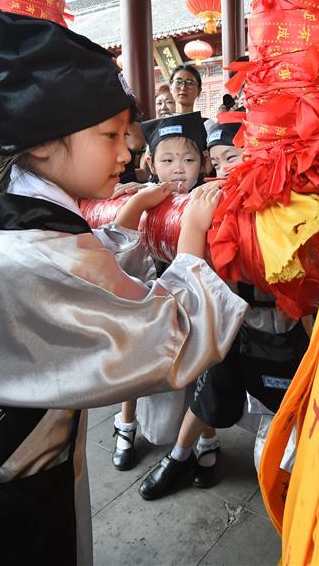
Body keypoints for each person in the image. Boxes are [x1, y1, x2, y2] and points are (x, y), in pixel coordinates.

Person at [0, 2, 247, 565]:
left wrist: (129, 218)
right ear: (40, 145)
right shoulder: (38, 247)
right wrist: (193, 234)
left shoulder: (10, 209)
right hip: (15, 468)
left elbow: (89, 274)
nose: (128, 150)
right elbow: (164, 339)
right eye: (110, 134)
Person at [138, 121, 310, 500]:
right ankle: (180, 456)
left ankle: (287, 476)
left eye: (231, 157)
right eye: (216, 162)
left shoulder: (292, 199)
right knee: (209, 390)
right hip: (234, 324)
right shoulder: (209, 202)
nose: (224, 170)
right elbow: (191, 277)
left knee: (290, 404)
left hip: (285, 328)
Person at [111, 112, 209, 471]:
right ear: (151, 163)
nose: (179, 170)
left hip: (193, 298)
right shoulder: (141, 197)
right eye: (167, 161)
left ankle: (206, 434)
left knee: (202, 364)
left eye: (188, 159)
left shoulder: (207, 196)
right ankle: (126, 424)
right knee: (136, 361)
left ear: (204, 161)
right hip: (149, 295)